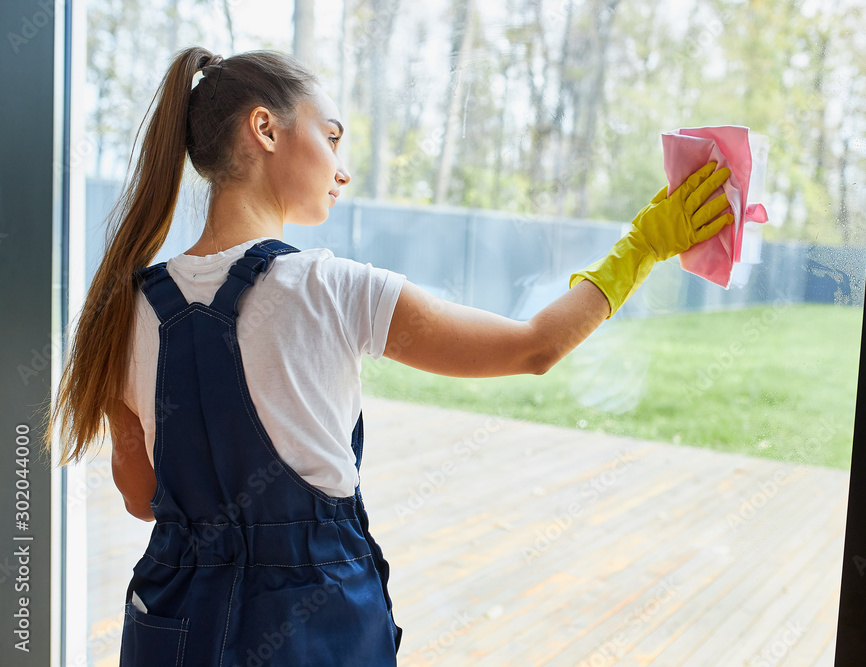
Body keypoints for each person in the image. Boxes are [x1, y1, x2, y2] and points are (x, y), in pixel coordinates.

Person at [43, 46, 732, 666]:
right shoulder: (328, 287)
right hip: (311, 625)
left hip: (172, 625)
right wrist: (642, 246)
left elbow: (141, 497)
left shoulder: (126, 307)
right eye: (331, 135)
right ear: (265, 129)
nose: (342, 169)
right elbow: (534, 347)